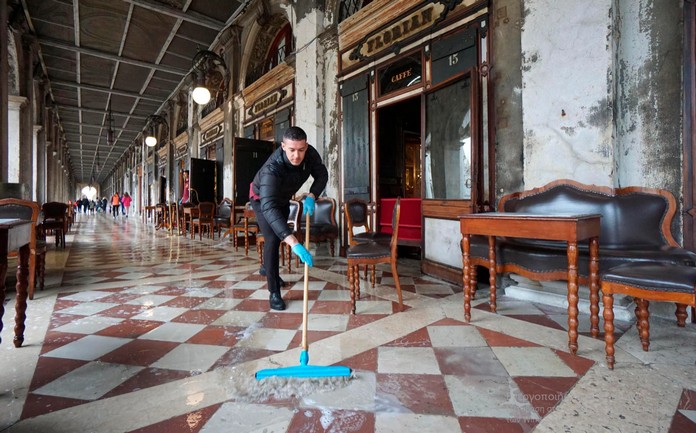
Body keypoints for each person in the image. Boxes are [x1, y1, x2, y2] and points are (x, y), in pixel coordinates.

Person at [250, 126, 328, 311]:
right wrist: (294, 242)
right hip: (262, 200)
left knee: (279, 236)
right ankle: (274, 291)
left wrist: (312, 195)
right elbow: (269, 207)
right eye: (292, 150)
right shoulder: (272, 169)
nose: (296, 156)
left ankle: (267, 267)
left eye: (301, 150)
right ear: (283, 146)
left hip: (283, 198)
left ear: (306, 146)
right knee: (272, 238)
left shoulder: (310, 154)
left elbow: (322, 174)